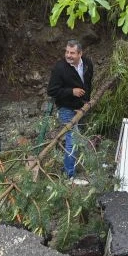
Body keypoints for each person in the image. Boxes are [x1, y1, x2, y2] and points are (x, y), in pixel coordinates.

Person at [47, 39, 95, 177]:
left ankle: (72, 165)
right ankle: (69, 174)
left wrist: (87, 102)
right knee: (72, 140)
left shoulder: (87, 64)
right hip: (66, 108)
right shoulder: (59, 68)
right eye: (67, 52)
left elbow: (88, 84)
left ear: (80, 53)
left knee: (79, 137)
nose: (68, 55)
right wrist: (71, 91)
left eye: (72, 53)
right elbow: (51, 91)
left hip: (82, 107)